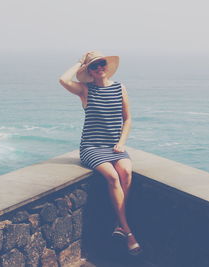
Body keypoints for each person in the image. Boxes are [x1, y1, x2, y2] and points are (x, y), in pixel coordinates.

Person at [59, 51, 141, 255]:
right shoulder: (85, 90)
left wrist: (122, 143)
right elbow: (62, 79)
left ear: (107, 65)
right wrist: (79, 62)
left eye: (101, 63)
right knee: (113, 177)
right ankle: (128, 231)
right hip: (91, 147)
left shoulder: (119, 88)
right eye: (93, 66)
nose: (99, 68)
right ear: (89, 72)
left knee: (126, 172)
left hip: (114, 146)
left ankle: (119, 225)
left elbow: (128, 119)